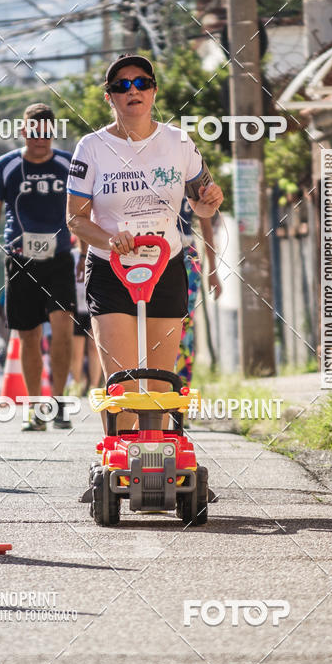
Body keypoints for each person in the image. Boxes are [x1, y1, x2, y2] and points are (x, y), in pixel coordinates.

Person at [66, 54, 223, 431]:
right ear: (110, 98)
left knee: (158, 388)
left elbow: (203, 202)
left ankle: (159, 474)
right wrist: (109, 238)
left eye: (141, 83)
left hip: (165, 266)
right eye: (121, 85)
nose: (132, 90)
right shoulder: (91, 148)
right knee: (123, 388)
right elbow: (75, 219)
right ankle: (115, 470)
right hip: (110, 269)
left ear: (154, 91)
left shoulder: (178, 143)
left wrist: (209, 201)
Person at [0, 103, 75, 430]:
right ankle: (37, 409)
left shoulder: (67, 163)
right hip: (19, 260)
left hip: (60, 259)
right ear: (24, 133)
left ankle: (60, 401)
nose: (41, 140)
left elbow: (85, 209)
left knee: (63, 328)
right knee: (29, 335)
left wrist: (86, 252)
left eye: (47, 134)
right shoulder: (5, 167)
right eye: (35, 134)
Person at [176, 196, 222, 387]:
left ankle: (181, 389)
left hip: (186, 256)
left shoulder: (193, 172)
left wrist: (213, 270)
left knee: (184, 324)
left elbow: (206, 223)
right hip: (149, 255)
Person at [69, 238, 102, 395]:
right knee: (76, 351)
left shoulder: (97, 253)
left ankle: (93, 386)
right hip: (76, 307)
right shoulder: (72, 256)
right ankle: (77, 382)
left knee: (94, 347)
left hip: (93, 307)